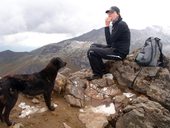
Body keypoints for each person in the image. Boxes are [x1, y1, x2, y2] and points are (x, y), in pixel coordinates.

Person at [86, 6, 130, 81]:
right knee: (93, 46)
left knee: (91, 51)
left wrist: (106, 25)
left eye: (112, 13)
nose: (109, 15)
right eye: (109, 13)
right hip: (113, 48)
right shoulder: (115, 24)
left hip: (119, 53)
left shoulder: (121, 25)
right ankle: (102, 70)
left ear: (118, 14)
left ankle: (98, 74)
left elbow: (109, 42)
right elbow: (110, 44)